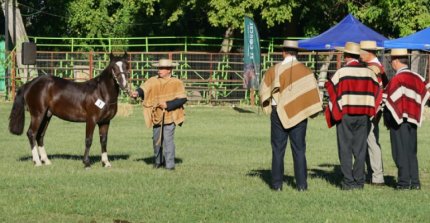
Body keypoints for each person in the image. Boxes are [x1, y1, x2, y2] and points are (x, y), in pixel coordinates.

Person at [259, 40, 323, 192]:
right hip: (300, 114)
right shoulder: (307, 72)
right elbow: (314, 93)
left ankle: (276, 186)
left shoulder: (274, 70)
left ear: (283, 52)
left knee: (277, 150)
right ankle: (301, 186)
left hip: (278, 114)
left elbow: (264, 90)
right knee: (299, 149)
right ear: (297, 53)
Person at [325, 42, 381, 190]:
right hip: (363, 115)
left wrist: (335, 112)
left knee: (345, 148)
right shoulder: (369, 73)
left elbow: (331, 91)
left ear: (346, 56)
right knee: (360, 149)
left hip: (345, 115)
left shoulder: (341, 73)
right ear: (358, 56)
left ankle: (348, 181)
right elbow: (378, 92)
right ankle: (359, 181)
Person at [383, 48, 430, 190]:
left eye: (391, 61)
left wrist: (388, 120)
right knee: (411, 150)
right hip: (413, 119)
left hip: (399, 121)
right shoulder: (417, 77)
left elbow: (388, 101)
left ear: (396, 61)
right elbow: (424, 93)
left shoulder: (397, 79)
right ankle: (415, 182)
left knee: (399, 151)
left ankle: (403, 182)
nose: (391, 63)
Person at [131, 58, 187, 170]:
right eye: (159, 68)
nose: (159, 70)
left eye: (162, 68)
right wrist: (137, 92)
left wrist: (168, 104)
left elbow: (182, 99)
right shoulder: (153, 80)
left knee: (167, 140)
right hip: (156, 115)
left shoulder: (177, 82)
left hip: (170, 115)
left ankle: (170, 165)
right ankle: (158, 162)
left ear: (169, 70)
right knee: (156, 140)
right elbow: (144, 89)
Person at [359, 40, 387, 185]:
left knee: (372, 142)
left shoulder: (372, 68)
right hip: (375, 109)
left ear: (368, 53)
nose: (359, 55)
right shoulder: (378, 67)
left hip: (370, 110)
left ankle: (377, 176)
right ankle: (373, 174)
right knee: (370, 141)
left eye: (361, 52)